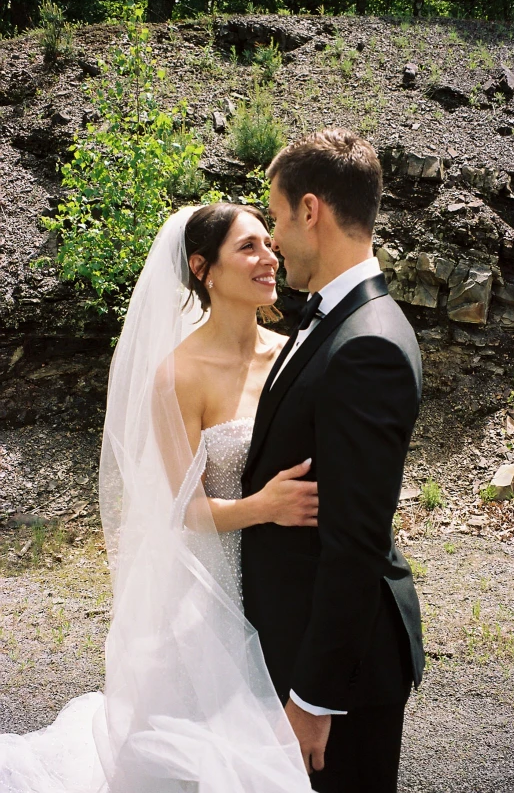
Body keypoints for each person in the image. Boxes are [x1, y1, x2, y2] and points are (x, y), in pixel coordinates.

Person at [0, 203, 317, 792]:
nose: (270, 257)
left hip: (289, 579)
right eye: (248, 248)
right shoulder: (180, 374)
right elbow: (186, 509)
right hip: (213, 585)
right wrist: (264, 507)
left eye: (269, 244)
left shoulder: (291, 354)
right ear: (204, 269)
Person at [241, 128, 425, 792]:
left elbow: (355, 541)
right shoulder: (333, 319)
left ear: (310, 211)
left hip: (339, 677)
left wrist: (315, 699)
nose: (274, 237)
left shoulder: (365, 343)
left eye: (277, 217)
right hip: (297, 643)